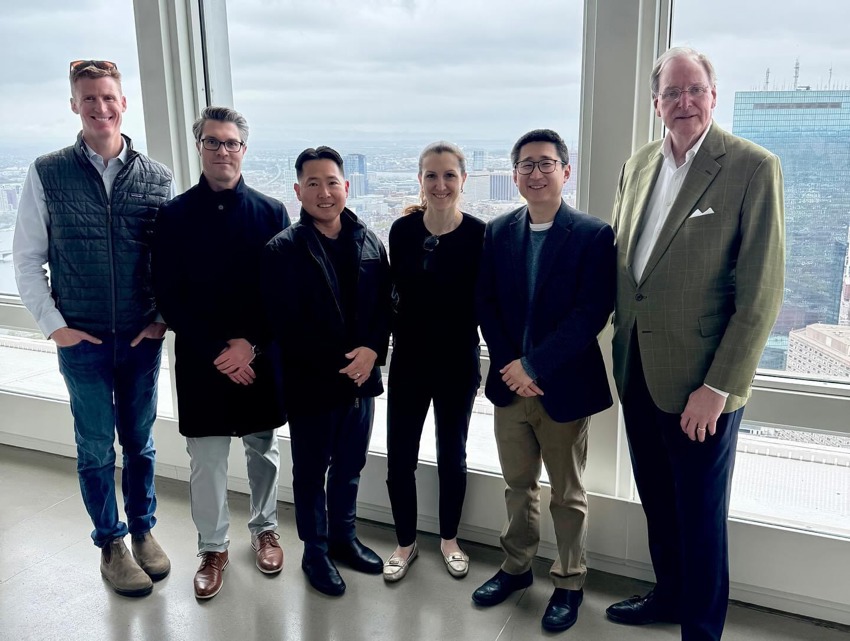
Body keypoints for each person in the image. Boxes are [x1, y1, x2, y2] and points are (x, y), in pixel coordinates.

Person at [606, 47, 785, 641]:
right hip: (638, 367)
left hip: (702, 383)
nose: (684, 102)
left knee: (701, 516)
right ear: (656, 103)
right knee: (658, 500)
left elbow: (760, 294)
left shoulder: (752, 167)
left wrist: (718, 387)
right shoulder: (638, 165)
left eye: (695, 90)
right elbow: (626, 266)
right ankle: (669, 596)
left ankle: (701, 631)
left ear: (713, 94)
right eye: (672, 93)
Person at [12, 60, 173, 597]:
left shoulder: (157, 177)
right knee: (97, 447)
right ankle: (111, 543)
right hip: (82, 341)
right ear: (74, 105)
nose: (100, 108)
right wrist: (55, 327)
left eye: (108, 97)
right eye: (88, 98)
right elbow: (26, 257)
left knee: (141, 442)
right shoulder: (48, 172)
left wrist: (161, 317)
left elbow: (170, 261)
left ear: (123, 103)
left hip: (140, 338)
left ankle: (143, 530)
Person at [473, 129, 616, 633]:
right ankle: (516, 567)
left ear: (565, 172)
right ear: (514, 175)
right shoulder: (498, 231)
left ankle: (570, 581)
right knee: (517, 486)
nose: (536, 173)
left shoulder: (593, 234)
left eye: (546, 164)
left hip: (563, 386)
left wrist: (534, 366)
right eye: (526, 165)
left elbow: (590, 314)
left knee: (567, 494)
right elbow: (486, 303)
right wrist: (512, 364)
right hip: (510, 385)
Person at [152, 106, 289, 599]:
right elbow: (168, 294)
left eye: (231, 142)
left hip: (258, 354)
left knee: (263, 449)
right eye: (212, 141)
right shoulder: (173, 215)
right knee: (206, 459)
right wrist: (219, 350)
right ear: (200, 148)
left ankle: (265, 529)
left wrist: (250, 345)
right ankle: (212, 548)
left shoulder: (271, 212)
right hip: (202, 357)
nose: (222, 150)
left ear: (243, 150)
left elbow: (282, 293)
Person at [264, 146, 392, 597]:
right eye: (313, 184)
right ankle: (314, 551)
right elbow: (284, 325)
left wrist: (372, 351)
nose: (324, 192)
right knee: (311, 470)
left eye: (332, 182)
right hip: (312, 382)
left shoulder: (369, 240)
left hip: (362, 380)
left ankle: (344, 538)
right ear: (298, 191)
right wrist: (345, 363)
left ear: (347, 187)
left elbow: (386, 306)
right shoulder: (283, 250)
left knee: (350, 465)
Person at [382, 142, 485, 583]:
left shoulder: (480, 234)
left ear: (463, 180)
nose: (440, 184)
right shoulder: (402, 231)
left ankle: (449, 540)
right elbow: (391, 296)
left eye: (449, 175)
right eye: (431, 175)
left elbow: (488, 302)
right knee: (399, 457)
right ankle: (405, 543)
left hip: (457, 361)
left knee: (452, 455)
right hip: (408, 359)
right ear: (420, 180)